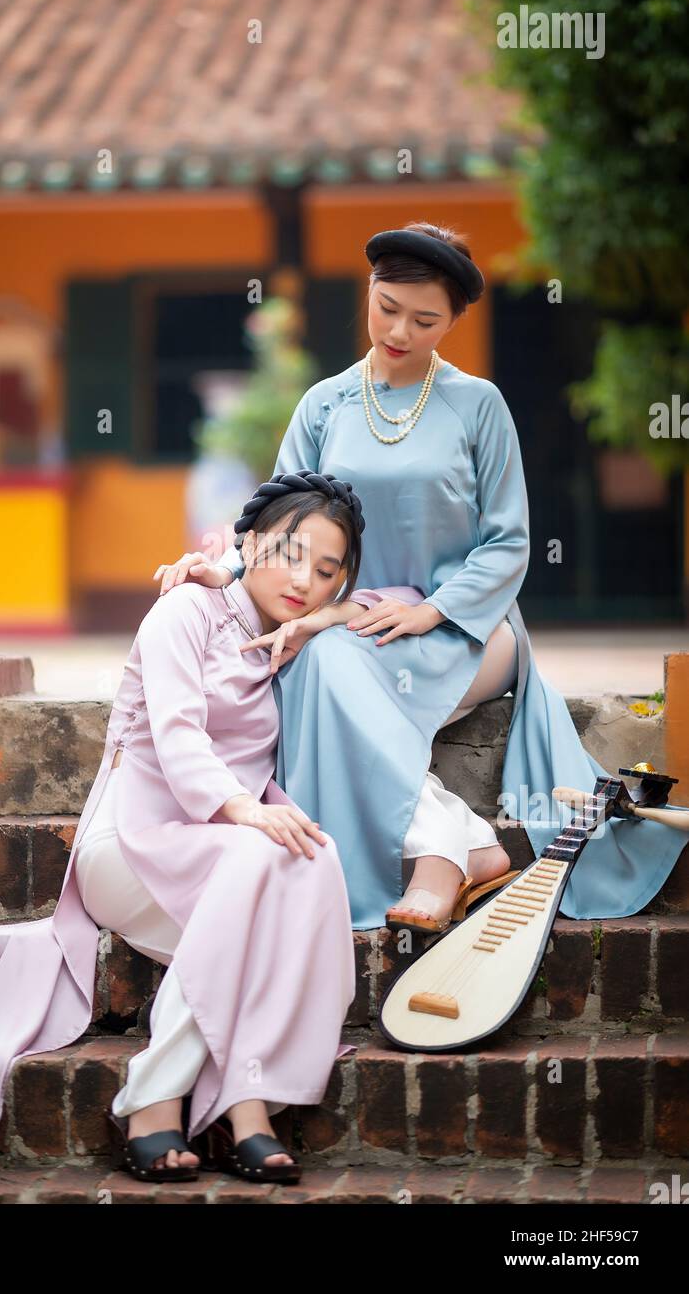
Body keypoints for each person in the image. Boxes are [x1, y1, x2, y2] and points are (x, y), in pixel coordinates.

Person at [0, 472, 395, 1184]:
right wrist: (245, 811)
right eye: (289, 555)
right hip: (134, 846)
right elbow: (177, 740)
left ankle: (246, 1103)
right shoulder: (186, 613)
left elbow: (390, 604)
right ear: (252, 546)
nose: (304, 580)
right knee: (261, 862)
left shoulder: (283, 641)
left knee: (314, 864)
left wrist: (322, 620)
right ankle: (168, 1105)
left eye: (326, 571)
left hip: (217, 855)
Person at [153, 222, 687, 932]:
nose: (400, 330)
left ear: (454, 321)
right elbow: (277, 520)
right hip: (351, 625)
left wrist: (433, 611)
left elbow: (507, 542)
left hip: (470, 627)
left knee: (326, 664)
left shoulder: (478, 405)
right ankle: (461, 846)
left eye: (425, 319)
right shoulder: (326, 404)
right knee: (312, 661)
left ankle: (438, 855)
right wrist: (219, 568)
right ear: (369, 294)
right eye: (387, 308)